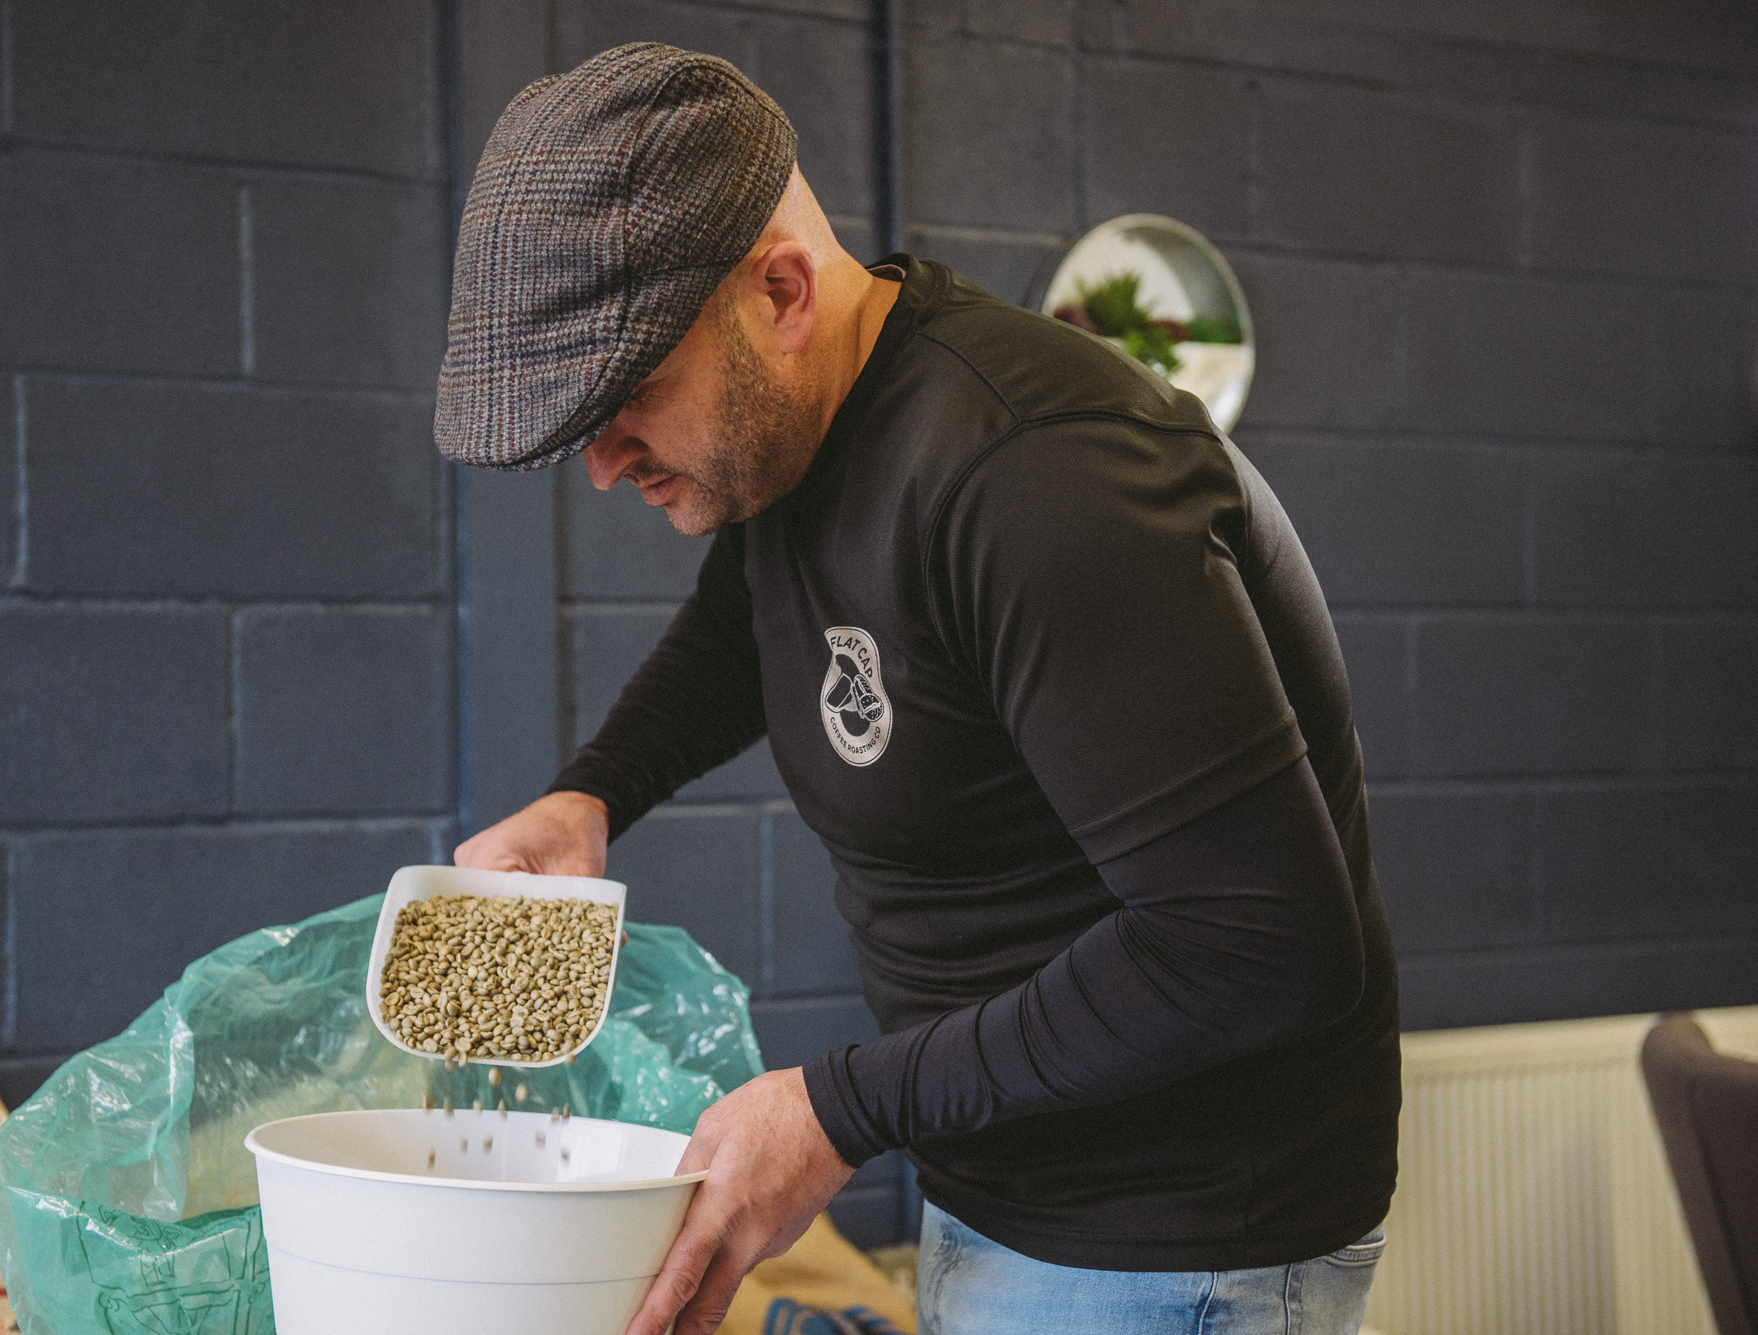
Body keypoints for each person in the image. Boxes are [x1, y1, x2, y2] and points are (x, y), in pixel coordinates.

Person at [435, 43, 1400, 1335]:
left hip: (1174, 1246)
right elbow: (746, 625)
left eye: (629, 399)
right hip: (1000, 1189)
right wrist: (592, 795)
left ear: (781, 290)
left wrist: (835, 1112)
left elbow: (1261, 946)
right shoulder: (798, 438)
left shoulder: (1041, 479)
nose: (604, 465)